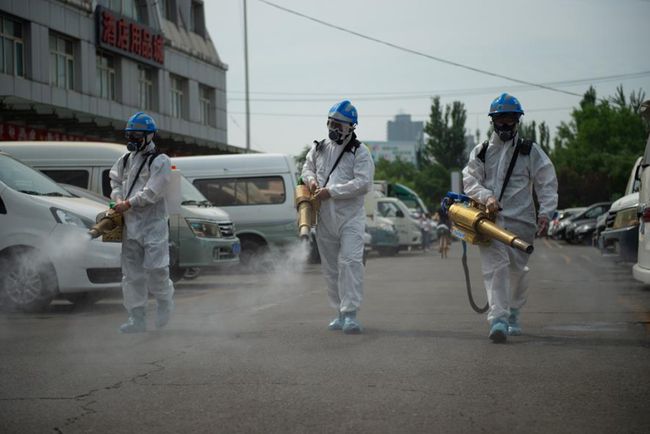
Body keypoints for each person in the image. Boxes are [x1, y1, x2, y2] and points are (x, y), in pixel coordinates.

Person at [462, 93, 558, 343]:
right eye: (500, 121)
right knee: (496, 269)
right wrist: (486, 196)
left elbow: (546, 182)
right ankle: (499, 319)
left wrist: (546, 212)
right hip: (491, 223)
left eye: (510, 121)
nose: (505, 126)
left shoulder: (530, 151)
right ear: (493, 122)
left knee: (518, 270)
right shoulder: (481, 152)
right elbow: (470, 181)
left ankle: (514, 311)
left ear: (517, 122)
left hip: (522, 222)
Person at [301, 100, 375, 334]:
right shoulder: (319, 148)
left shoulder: (360, 152)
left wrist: (331, 191)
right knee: (331, 267)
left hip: (350, 218)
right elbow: (307, 168)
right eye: (331, 123)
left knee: (351, 263)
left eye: (338, 125)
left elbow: (363, 184)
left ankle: (351, 313)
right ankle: (339, 312)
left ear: (350, 127)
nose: (333, 128)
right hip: (325, 218)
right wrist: (311, 181)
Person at [110, 112, 175, 333]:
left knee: (156, 269)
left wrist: (128, 203)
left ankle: (165, 302)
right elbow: (115, 182)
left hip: (153, 224)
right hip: (130, 225)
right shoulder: (124, 160)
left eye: (137, 134)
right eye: (130, 134)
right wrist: (117, 199)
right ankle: (136, 318)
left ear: (149, 135)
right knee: (131, 274)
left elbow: (152, 192)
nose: (133, 138)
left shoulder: (160, 161)